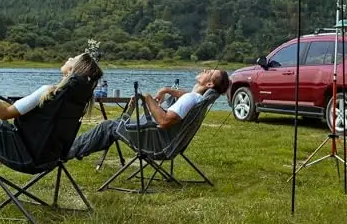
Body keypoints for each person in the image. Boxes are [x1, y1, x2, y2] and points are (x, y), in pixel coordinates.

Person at [69, 68, 230, 159]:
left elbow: (164, 121)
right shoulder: (197, 99)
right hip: (167, 144)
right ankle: (78, 150)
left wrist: (147, 97)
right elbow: (185, 95)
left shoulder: (190, 99)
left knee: (107, 126)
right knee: (111, 128)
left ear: (209, 84)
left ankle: (68, 151)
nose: (205, 70)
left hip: (156, 145)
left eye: (209, 72)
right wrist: (166, 90)